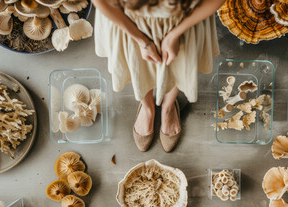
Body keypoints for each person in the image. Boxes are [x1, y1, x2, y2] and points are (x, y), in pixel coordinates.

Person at [92, 0, 222, 152]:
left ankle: (168, 107)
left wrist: (175, 34)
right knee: (138, 64)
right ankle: (147, 108)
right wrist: (142, 41)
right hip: (130, 19)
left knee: (178, 64)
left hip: (184, 18)